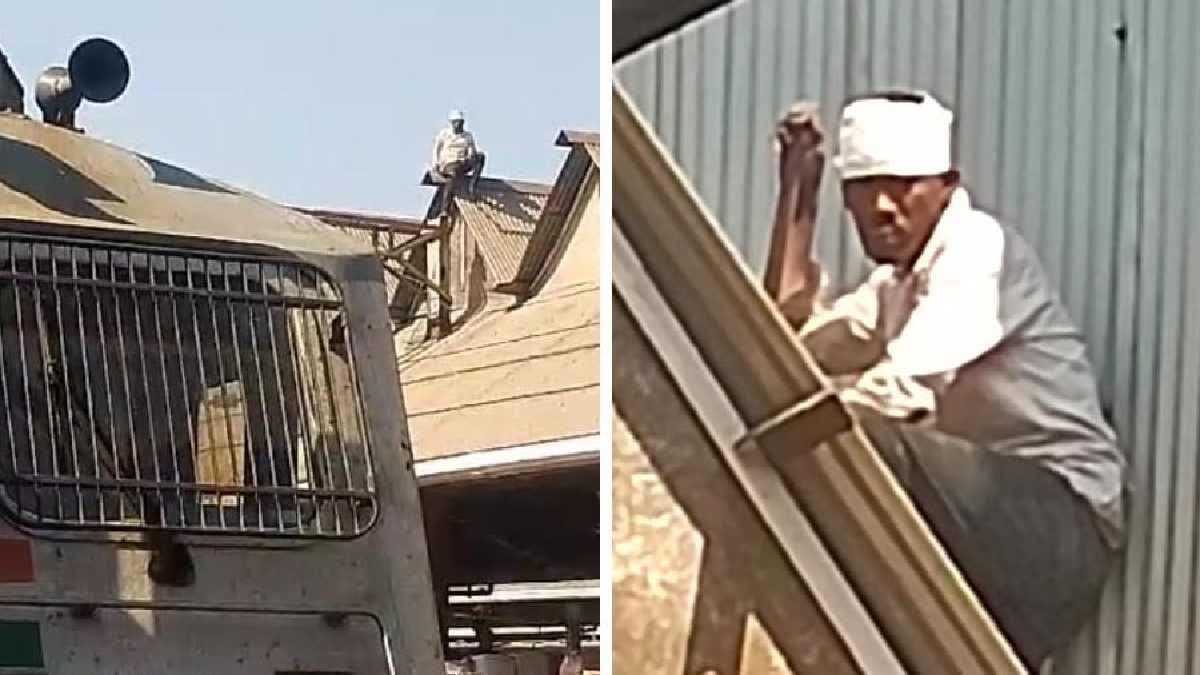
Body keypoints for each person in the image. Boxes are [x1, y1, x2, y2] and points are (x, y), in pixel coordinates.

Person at [771, 90, 1126, 670]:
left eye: (904, 185)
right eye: (864, 189)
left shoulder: (979, 252)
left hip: (1060, 528)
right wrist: (797, 199)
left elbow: (899, 392)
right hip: (987, 543)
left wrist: (788, 432)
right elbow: (782, 348)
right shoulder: (890, 290)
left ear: (947, 186)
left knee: (854, 435)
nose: (884, 207)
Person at [431, 110, 485, 194]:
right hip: (449, 164)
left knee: (480, 157)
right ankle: (446, 204)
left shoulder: (467, 135)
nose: (458, 125)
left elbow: (472, 150)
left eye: (460, 122)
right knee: (452, 178)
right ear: (452, 123)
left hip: (462, 163)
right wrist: (435, 164)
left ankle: (472, 186)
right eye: (456, 122)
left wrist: (470, 155)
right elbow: (436, 149)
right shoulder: (445, 134)